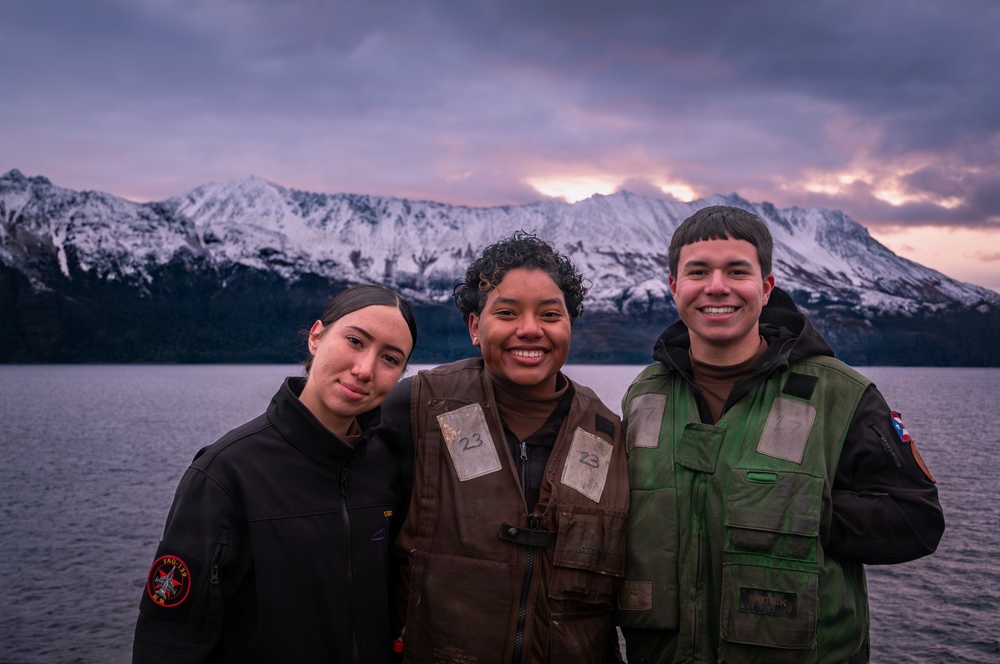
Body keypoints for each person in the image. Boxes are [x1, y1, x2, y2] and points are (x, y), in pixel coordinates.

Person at [616, 206, 945, 663]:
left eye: (737, 271)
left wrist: (804, 512)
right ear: (674, 287)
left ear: (766, 288)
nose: (717, 286)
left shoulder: (839, 394)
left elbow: (917, 522)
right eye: (698, 272)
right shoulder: (644, 394)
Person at [132, 284, 418, 663]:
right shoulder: (225, 472)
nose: (364, 369)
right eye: (354, 340)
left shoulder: (388, 465)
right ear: (316, 336)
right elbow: (168, 642)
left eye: (390, 359)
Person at [381, 231, 630, 663]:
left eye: (550, 314)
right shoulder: (419, 408)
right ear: (476, 327)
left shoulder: (608, 434)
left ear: (570, 323)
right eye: (507, 313)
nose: (530, 330)